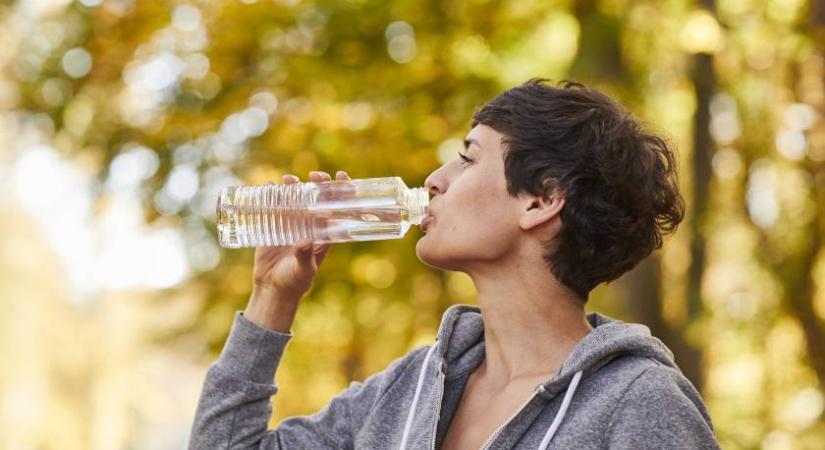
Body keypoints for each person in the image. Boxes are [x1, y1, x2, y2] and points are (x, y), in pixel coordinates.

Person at [189, 79, 722, 449]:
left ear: (540, 201)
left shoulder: (638, 404)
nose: (435, 179)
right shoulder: (411, 388)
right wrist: (271, 298)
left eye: (467, 157)